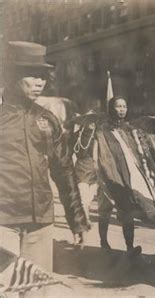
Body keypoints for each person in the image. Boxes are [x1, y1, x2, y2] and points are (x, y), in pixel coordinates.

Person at [0, 41, 89, 280]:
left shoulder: (48, 120)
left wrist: (76, 220)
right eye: (32, 75)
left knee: (36, 291)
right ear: (12, 75)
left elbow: (64, 170)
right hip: (3, 222)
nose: (40, 82)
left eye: (43, 76)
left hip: (40, 223)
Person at [95, 96, 155, 257]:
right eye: (118, 106)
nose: (122, 109)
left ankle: (129, 247)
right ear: (111, 108)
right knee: (105, 209)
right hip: (108, 174)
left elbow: (139, 149)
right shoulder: (103, 130)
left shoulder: (130, 129)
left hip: (126, 176)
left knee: (127, 210)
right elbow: (101, 152)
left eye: (124, 106)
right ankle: (103, 241)